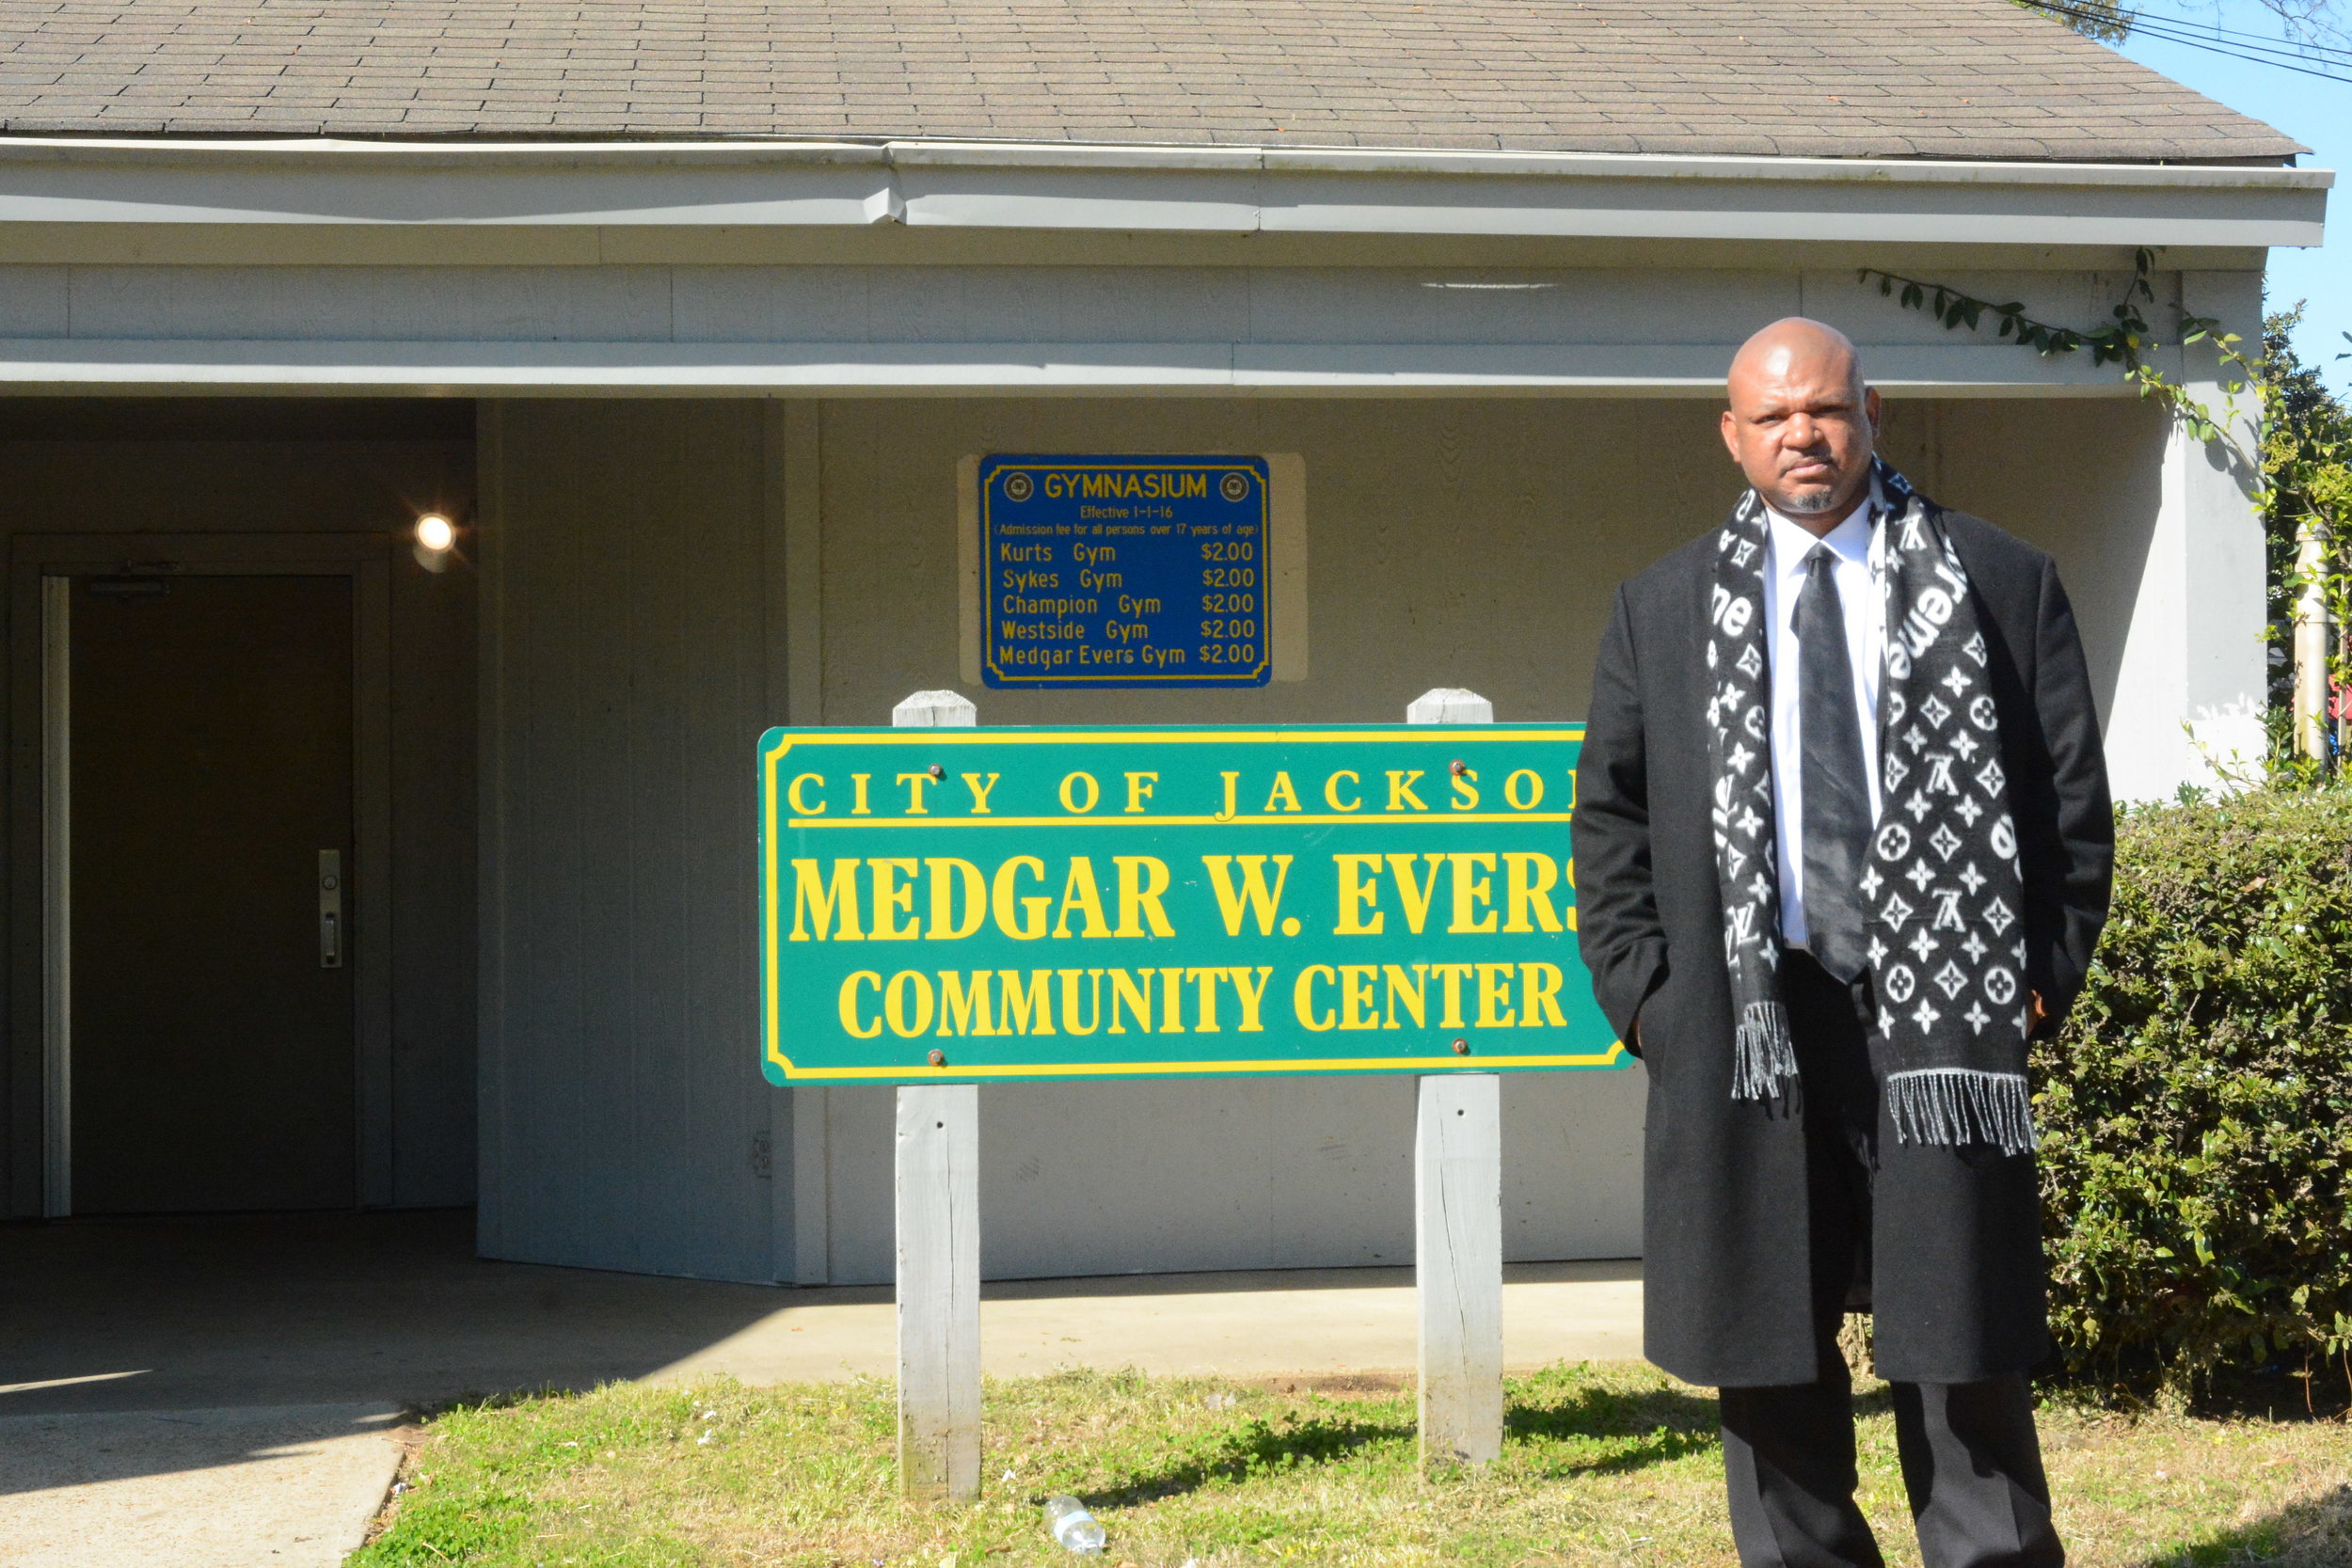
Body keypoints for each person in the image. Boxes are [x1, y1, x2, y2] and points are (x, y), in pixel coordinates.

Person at [1572, 318, 2113, 1567]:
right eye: (1771, 418)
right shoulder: (1659, 608)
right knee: (1765, 1351)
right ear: (1732, 437)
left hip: (1943, 1023)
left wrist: (2032, 986)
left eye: (1823, 409)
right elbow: (1609, 835)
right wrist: (1655, 1008)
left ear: (1871, 412)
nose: (1801, 436)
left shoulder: (1998, 579)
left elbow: (2071, 813)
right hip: (1747, 1029)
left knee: (1960, 1339)